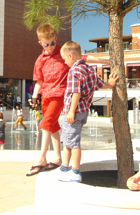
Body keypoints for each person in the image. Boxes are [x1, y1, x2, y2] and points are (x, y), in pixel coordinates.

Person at [26, 23, 109, 176]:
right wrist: (34, 96)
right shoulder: (40, 60)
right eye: (47, 44)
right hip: (45, 95)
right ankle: (57, 158)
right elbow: (39, 81)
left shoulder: (64, 52)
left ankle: (42, 158)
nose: (50, 46)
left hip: (60, 95)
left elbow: (84, 57)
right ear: (40, 43)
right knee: (52, 126)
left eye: (52, 42)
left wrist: (105, 61)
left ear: (56, 39)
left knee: (45, 124)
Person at [56, 41, 118, 183]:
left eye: (65, 59)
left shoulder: (74, 72)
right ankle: (64, 167)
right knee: (68, 139)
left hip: (74, 111)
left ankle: (76, 172)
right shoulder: (89, 70)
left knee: (73, 142)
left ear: (70, 56)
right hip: (82, 112)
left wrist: (71, 111)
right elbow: (101, 84)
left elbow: (76, 92)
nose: (65, 62)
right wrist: (111, 83)